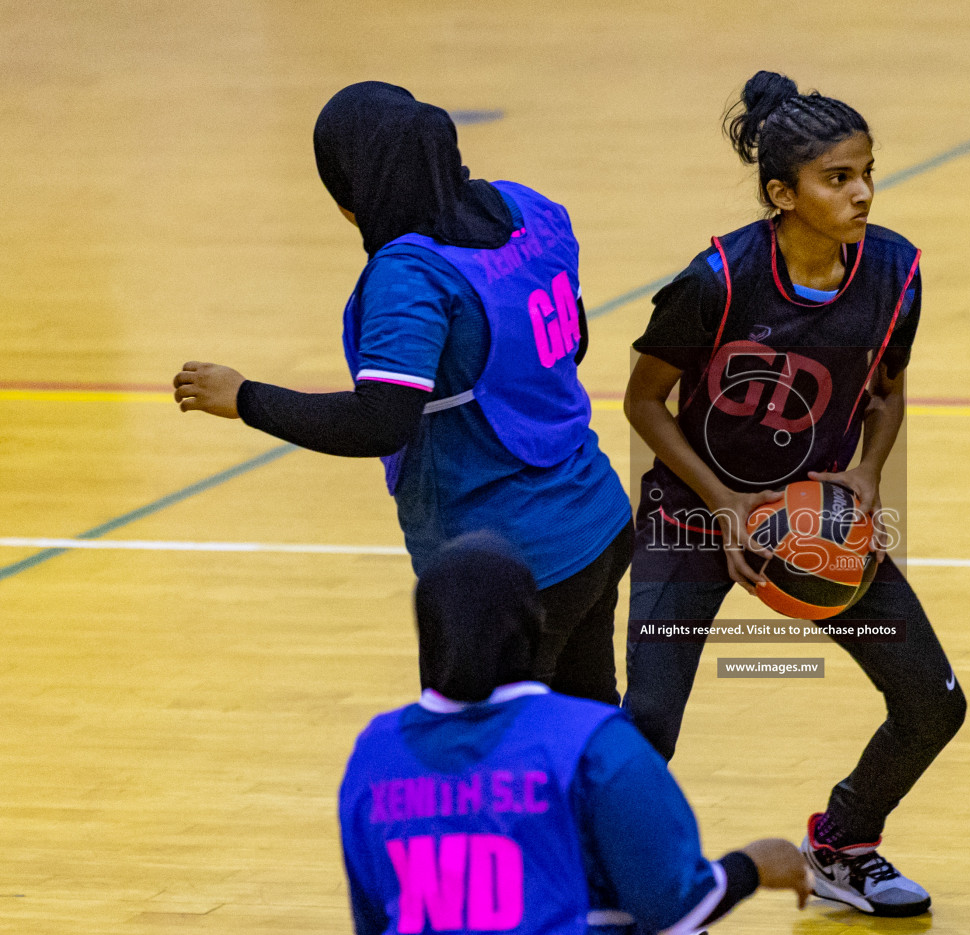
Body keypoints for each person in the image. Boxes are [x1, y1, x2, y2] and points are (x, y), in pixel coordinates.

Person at [622, 71, 965, 918]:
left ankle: (843, 846)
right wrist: (727, 507)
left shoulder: (897, 274)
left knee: (932, 702)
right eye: (838, 178)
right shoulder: (716, 280)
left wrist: (865, 473)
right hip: (692, 519)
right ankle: (608, 893)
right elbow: (641, 402)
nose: (863, 193)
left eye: (867, 171)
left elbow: (885, 389)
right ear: (782, 194)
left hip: (816, 522)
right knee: (646, 731)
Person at [172, 82, 632, 704]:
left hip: (505, 564)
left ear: (351, 193)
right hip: (596, 523)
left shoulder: (409, 276)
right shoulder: (531, 210)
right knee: (586, 753)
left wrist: (245, 397)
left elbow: (379, 424)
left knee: (478, 773)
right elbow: (572, 342)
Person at [338, 533, 811, 935]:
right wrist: (756, 864)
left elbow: (376, 934)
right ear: (533, 625)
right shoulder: (595, 741)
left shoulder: (375, 752)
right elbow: (675, 904)